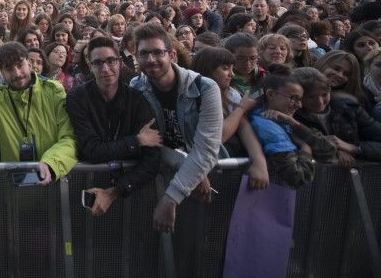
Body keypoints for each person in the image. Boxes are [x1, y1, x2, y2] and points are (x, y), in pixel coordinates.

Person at [129, 24, 223, 233]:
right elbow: (148, 143)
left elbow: (206, 149)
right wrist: (189, 168)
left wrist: (171, 198)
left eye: (157, 52)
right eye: (144, 53)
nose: (150, 59)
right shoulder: (136, 88)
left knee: (204, 240)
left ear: (172, 55)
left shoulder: (205, 88)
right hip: (169, 173)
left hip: (210, 176)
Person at [0, 42, 78, 184]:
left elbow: (70, 137)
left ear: (29, 63)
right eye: (9, 69)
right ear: (2, 73)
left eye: (20, 65)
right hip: (14, 189)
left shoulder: (53, 92)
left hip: (55, 181)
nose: (17, 73)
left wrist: (51, 163)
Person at [66, 36, 162, 216]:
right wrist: (137, 141)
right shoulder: (77, 97)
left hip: (132, 191)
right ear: (89, 64)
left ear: (119, 62)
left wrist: (114, 192)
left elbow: (152, 158)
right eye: (98, 63)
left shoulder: (137, 99)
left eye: (111, 61)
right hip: (87, 186)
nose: (105, 68)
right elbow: (90, 150)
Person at [247, 65, 337, 188]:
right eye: (293, 98)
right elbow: (297, 176)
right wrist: (306, 150)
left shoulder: (283, 120)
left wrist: (293, 123)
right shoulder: (268, 127)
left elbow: (329, 150)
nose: (299, 105)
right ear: (271, 94)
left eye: (300, 99)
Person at [191, 48, 269, 187]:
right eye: (226, 68)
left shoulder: (231, 94)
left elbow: (244, 127)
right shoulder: (193, 97)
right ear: (207, 69)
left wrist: (259, 162)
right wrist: (241, 109)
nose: (231, 74)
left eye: (232, 68)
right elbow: (218, 136)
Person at [292, 67, 381, 166]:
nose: (319, 102)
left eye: (324, 95)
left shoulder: (349, 108)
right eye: (311, 97)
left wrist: (352, 148)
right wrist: (334, 151)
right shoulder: (293, 117)